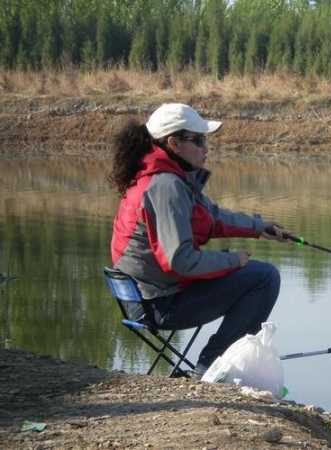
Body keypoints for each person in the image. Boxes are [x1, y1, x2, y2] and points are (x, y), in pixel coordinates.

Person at [109, 103, 288, 375]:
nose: (206, 148)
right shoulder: (166, 186)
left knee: (256, 273)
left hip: (148, 296)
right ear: (174, 143)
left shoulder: (161, 176)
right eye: (198, 140)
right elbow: (180, 260)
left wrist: (257, 226)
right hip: (158, 304)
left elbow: (210, 218)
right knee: (264, 277)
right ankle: (211, 367)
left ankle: (211, 364)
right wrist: (233, 261)